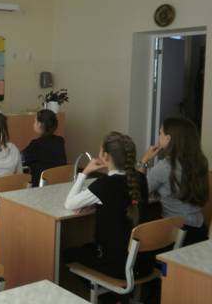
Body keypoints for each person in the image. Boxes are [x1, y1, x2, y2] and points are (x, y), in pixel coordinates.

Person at [64, 132, 151, 279]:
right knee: (86, 248)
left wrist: (85, 172)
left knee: (67, 254)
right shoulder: (141, 179)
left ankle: (103, 293)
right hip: (142, 263)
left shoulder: (104, 185)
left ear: (105, 156)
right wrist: (98, 204)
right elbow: (122, 202)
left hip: (116, 265)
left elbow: (69, 203)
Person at [138, 117, 209, 246]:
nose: (159, 136)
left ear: (168, 139)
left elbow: (139, 190)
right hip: (199, 231)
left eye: (160, 133)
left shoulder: (165, 166)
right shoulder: (200, 163)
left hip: (176, 235)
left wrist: (144, 161)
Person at [22, 109, 67, 187]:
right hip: (58, 184)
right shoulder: (60, 141)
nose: (34, 124)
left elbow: (22, 158)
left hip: (40, 185)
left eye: (35, 121)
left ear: (40, 124)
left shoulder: (36, 144)